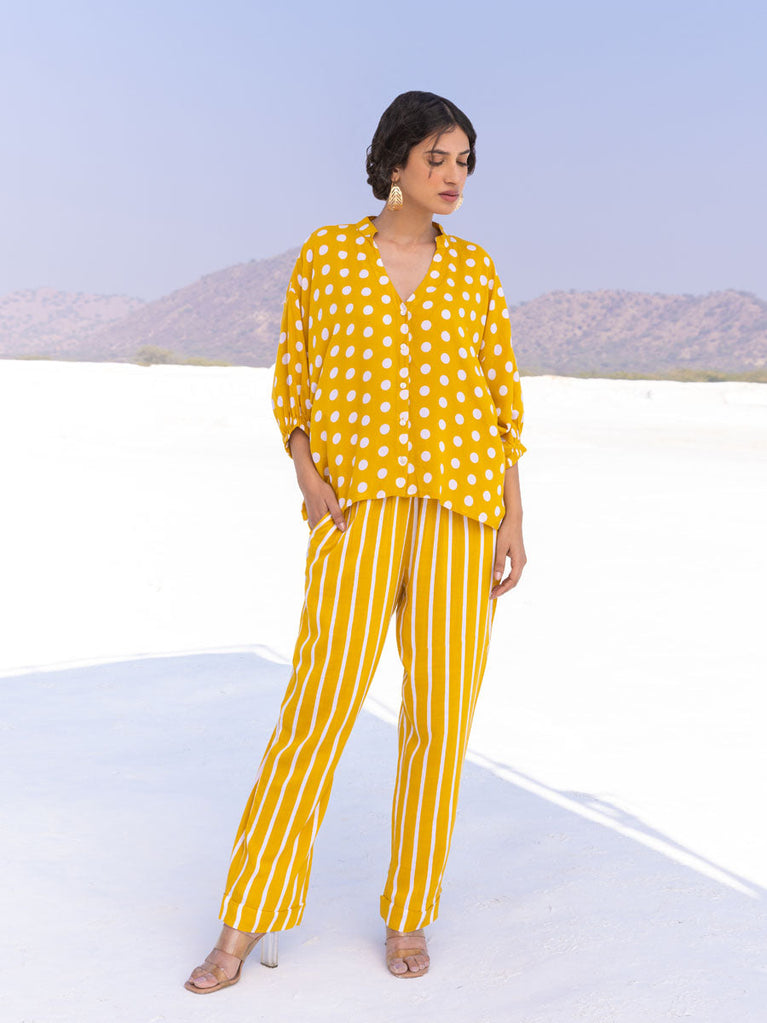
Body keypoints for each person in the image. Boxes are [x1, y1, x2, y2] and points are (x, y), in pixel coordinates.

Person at [185, 89, 527, 993]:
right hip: (355, 513)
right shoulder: (329, 257)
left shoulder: (475, 271)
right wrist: (307, 475)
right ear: (394, 162)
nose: (453, 176)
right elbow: (294, 383)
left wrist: (512, 518)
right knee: (317, 708)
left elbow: (500, 404)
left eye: (464, 162)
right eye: (437, 158)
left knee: (440, 721)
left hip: (460, 517)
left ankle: (410, 911)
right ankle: (243, 918)